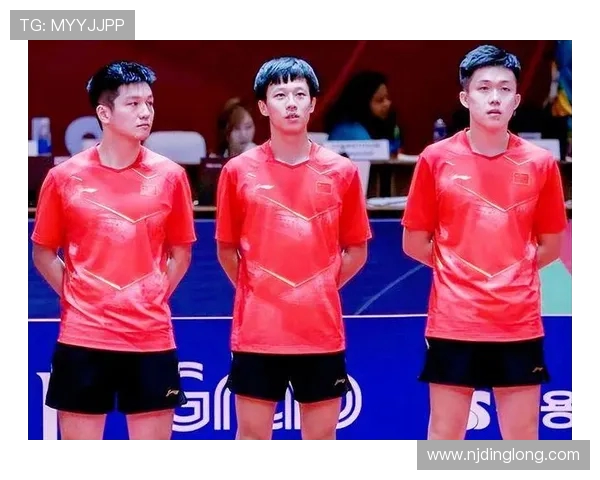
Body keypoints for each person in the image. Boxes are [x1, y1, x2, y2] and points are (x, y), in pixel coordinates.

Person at [402, 45, 567, 440]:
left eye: (504, 89)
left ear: (517, 101)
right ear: (465, 98)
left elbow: (550, 246)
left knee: (522, 438)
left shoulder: (540, 163)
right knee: (445, 435)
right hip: (454, 321)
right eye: (484, 88)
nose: (495, 97)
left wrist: (510, 274)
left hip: (518, 322)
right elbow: (414, 242)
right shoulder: (435, 159)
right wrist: (461, 273)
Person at [31, 61, 197, 440]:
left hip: (150, 337)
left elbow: (181, 253)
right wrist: (79, 296)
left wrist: (152, 295)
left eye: (149, 103)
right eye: (133, 104)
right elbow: (43, 252)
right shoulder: (63, 178)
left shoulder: (171, 176)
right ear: (104, 113)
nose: (145, 112)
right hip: (83, 337)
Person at [215, 56, 372, 440]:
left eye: (300, 94)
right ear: (263, 106)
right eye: (280, 95)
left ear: (313, 103)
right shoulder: (237, 171)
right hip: (257, 333)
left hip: (320, 332)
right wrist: (261, 292)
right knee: (252, 439)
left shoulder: (342, 171)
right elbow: (226, 250)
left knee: (320, 441)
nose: (291, 103)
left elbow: (356, 250)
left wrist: (316, 289)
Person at [324, 70, 403, 156]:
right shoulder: (352, 132)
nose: (387, 103)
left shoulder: (381, 125)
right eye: (380, 100)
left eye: (387, 98)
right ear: (362, 103)